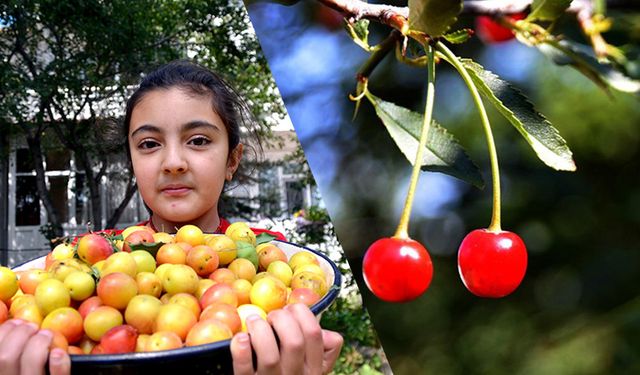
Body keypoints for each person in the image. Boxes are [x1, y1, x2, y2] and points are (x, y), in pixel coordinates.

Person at [0, 60, 343, 375]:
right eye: (149, 144)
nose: (173, 162)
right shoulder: (85, 256)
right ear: (132, 162)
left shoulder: (275, 259)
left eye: (197, 140)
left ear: (232, 160)